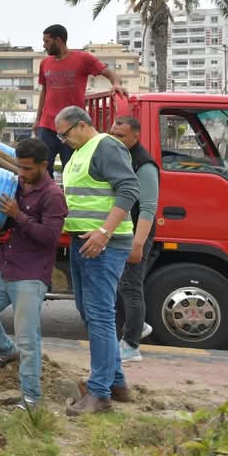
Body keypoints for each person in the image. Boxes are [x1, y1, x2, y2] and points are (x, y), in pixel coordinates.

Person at [0, 138, 67, 410]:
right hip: (5, 263)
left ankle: (31, 398)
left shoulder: (53, 196)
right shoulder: (18, 185)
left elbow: (50, 238)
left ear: (44, 165)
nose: (21, 174)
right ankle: (6, 350)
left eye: (27, 169)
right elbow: (6, 221)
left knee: (27, 338)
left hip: (30, 273)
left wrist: (18, 214)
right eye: (19, 167)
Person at [54, 106, 139, 416]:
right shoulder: (79, 153)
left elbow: (129, 189)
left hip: (104, 244)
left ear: (81, 125)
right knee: (89, 312)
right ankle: (115, 383)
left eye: (64, 134)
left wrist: (104, 232)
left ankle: (99, 393)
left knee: (100, 315)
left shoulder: (105, 146)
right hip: (84, 242)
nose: (63, 140)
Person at [34, 24, 127, 176]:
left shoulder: (83, 59)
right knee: (41, 168)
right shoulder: (45, 63)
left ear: (58, 40)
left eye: (47, 41)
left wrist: (116, 84)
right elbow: (44, 91)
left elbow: (109, 73)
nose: (44, 46)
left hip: (72, 127)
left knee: (72, 168)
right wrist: (37, 120)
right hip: (47, 125)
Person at [109, 116, 160, 363]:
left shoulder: (144, 165)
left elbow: (148, 208)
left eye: (121, 136)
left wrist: (138, 244)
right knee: (120, 285)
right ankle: (137, 326)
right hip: (122, 231)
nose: (115, 139)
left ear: (135, 137)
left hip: (137, 233)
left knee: (130, 285)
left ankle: (131, 346)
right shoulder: (120, 156)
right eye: (113, 134)